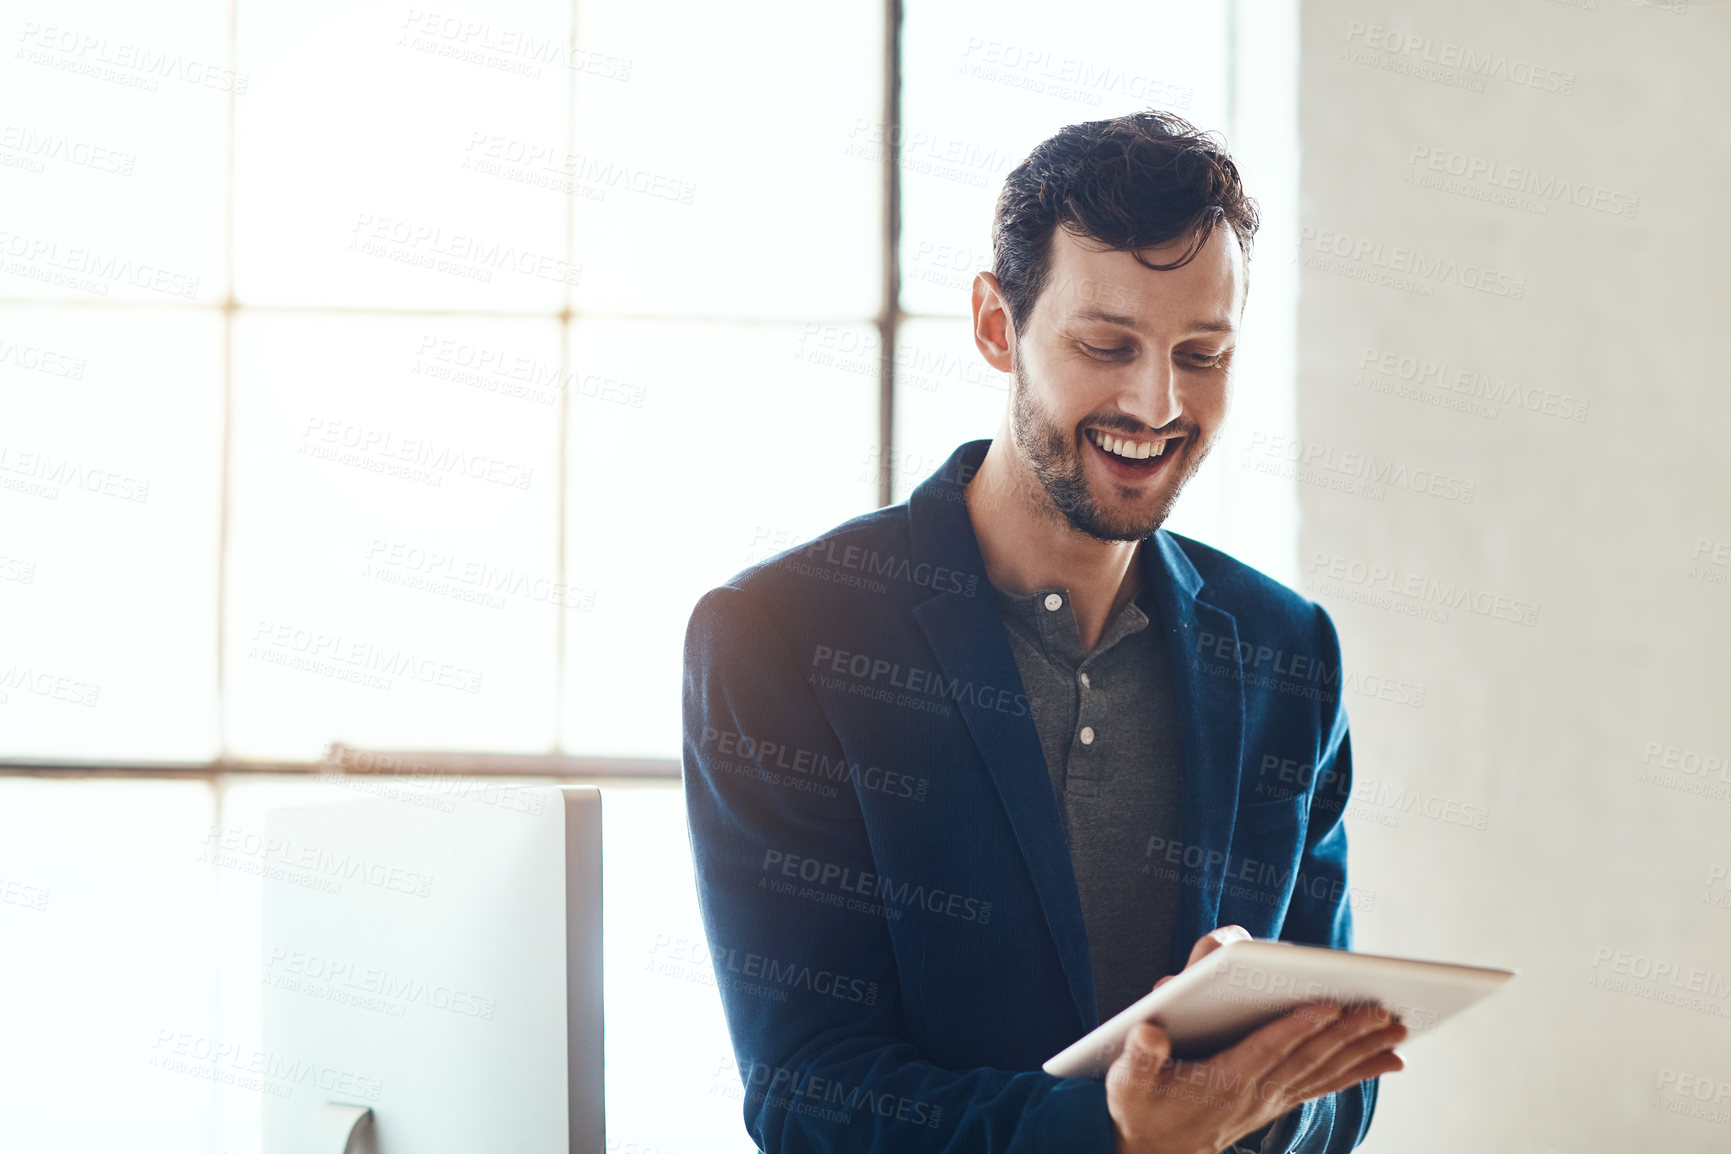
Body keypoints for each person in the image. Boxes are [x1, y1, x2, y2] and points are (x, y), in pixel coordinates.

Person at [682, 109, 1403, 1154]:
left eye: (1203, 354)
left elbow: (1343, 1086)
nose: (1157, 402)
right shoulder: (782, 638)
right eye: (1107, 344)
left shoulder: (1287, 652)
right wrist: (1116, 1132)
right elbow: (806, 1088)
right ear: (993, 325)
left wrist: (1255, 1073)